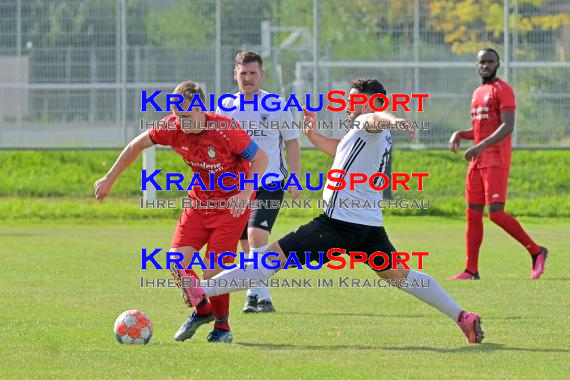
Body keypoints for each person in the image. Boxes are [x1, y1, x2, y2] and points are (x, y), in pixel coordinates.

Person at [175, 78, 485, 345]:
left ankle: (202, 290)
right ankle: (462, 316)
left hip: (337, 226)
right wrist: (311, 134)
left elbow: (377, 117)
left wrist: (396, 120)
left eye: (353, 101)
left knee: (269, 259)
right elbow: (341, 149)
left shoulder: (369, 122)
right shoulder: (362, 134)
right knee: (403, 277)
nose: (348, 106)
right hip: (368, 229)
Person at [94, 80, 268, 343]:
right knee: (177, 263)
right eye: (177, 115)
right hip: (198, 203)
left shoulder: (225, 129)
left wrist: (244, 193)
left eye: (186, 116)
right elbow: (136, 146)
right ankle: (203, 310)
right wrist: (109, 179)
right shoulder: (172, 126)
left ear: (201, 109)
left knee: (214, 272)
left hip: (231, 206)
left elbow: (261, 159)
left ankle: (222, 328)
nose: (180, 121)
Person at [448, 48, 548, 281]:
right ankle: (471, 270)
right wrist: (460, 134)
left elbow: (507, 126)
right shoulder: (477, 92)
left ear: (498, 64)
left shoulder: (503, 90)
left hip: (495, 160)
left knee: (495, 213)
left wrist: (481, 146)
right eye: (482, 61)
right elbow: (480, 129)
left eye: (490, 61)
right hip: (477, 161)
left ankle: (536, 251)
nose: (486, 65)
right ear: (476, 65)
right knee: (473, 214)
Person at [216, 51, 301, 313]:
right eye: (243, 73)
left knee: (256, 236)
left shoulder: (277, 104)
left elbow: (292, 142)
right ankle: (258, 296)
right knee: (246, 243)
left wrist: (295, 178)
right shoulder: (226, 106)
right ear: (235, 75)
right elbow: (221, 145)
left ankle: (259, 296)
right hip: (236, 185)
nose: (248, 78)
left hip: (270, 181)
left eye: (253, 73)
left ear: (262, 75)